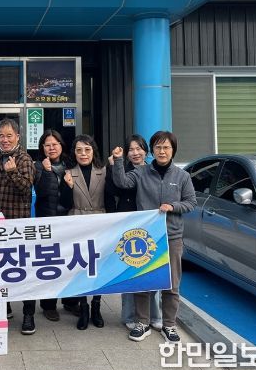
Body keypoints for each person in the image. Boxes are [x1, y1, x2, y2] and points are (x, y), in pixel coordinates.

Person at [112, 130, 197, 344]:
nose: (162, 151)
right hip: (146, 238)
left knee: (172, 284)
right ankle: (142, 323)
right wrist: (118, 160)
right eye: (158, 147)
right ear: (152, 150)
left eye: (166, 147)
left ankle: (169, 325)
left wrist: (173, 206)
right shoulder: (141, 172)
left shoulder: (182, 176)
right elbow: (122, 182)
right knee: (144, 281)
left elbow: (191, 202)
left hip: (172, 237)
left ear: (173, 150)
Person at [105, 134, 162, 332]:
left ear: (146, 151)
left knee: (153, 271)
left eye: (139, 149)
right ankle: (129, 315)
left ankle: (155, 315)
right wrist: (114, 165)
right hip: (128, 227)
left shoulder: (154, 171)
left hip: (151, 227)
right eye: (131, 149)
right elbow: (114, 188)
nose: (135, 153)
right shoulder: (122, 169)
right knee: (129, 273)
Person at [0, 118, 36, 335]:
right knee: (2, 267)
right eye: (1, 136)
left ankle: (28, 315)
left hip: (18, 225)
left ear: (18, 137)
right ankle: (5, 306)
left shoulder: (24, 158)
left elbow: (26, 188)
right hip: (0, 226)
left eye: (9, 136)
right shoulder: (0, 158)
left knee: (24, 270)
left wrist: (13, 172)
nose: (5, 140)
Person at [64, 134, 107, 330]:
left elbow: (111, 196)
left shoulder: (104, 171)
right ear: (74, 153)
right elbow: (64, 203)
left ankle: (97, 306)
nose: (83, 154)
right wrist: (68, 187)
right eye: (79, 150)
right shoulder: (69, 173)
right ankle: (83, 307)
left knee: (98, 267)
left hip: (100, 222)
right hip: (77, 222)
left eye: (87, 150)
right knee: (80, 267)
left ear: (93, 151)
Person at [34, 129, 75, 322]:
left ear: (61, 145)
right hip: (47, 220)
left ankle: (70, 301)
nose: (52, 148)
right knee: (49, 263)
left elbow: (71, 196)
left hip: (67, 219)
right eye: (47, 145)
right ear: (42, 148)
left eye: (55, 144)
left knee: (70, 261)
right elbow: (42, 192)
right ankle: (48, 305)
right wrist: (48, 171)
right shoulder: (38, 166)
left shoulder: (70, 165)